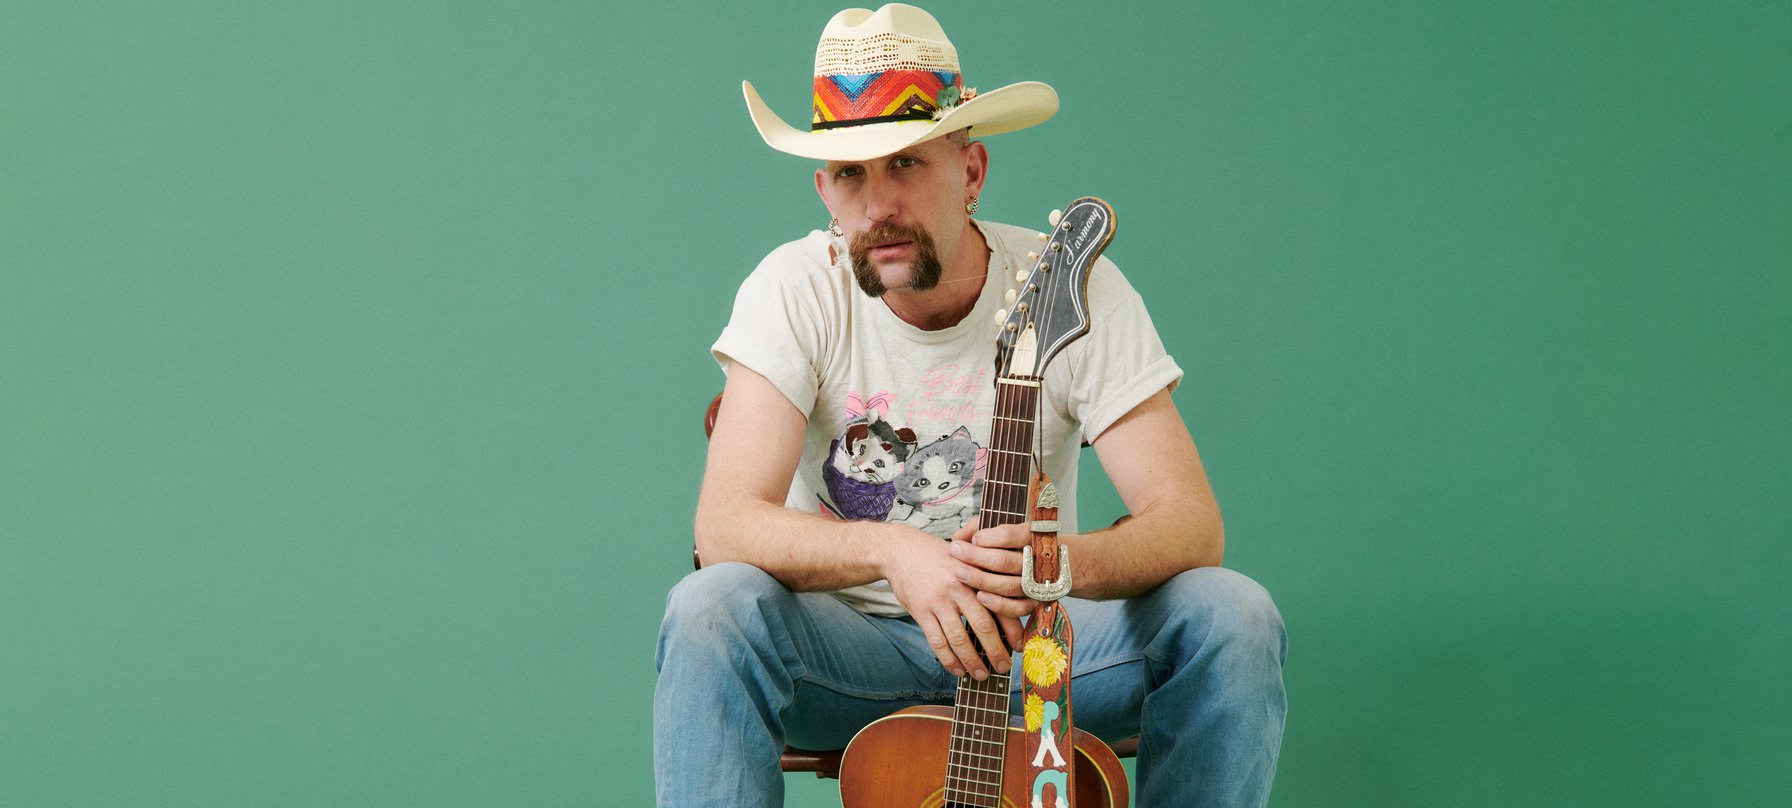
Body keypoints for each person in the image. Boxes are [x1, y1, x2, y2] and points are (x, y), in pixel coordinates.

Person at [654, 5, 1286, 806]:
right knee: (710, 607)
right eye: (851, 174)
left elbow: (1190, 522)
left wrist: (1055, 569)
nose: (878, 203)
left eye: (907, 164)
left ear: (972, 171)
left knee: (1233, 615)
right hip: (849, 654)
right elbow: (726, 524)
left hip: (1034, 657)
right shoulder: (791, 289)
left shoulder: (1071, 288)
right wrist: (896, 552)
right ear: (825, 191)